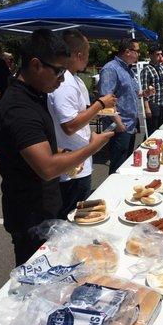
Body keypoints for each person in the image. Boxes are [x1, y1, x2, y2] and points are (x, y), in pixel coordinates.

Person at [0, 29, 114, 266]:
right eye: (59, 70)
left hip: (43, 209)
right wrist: (92, 147)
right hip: (30, 217)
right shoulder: (19, 109)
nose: (61, 78)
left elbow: (31, 151)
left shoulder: (34, 95)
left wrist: (58, 154)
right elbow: (47, 168)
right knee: (34, 284)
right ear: (36, 65)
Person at [48, 29, 116, 218]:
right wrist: (100, 104)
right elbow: (69, 125)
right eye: (87, 55)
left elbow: (79, 116)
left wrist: (91, 132)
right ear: (79, 55)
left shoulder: (73, 79)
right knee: (71, 218)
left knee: (78, 215)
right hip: (71, 167)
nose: (88, 60)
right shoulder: (65, 83)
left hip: (78, 162)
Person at [98, 39, 142, 175]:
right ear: (128, 52)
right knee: (117, 165)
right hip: (120, 125)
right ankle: (112, 193)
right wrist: (118, 123)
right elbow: (105, 100)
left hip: (130, 123)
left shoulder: (127, 69)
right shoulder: (111, 69)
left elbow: (131, 93)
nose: (139, 55)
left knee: (126, 163)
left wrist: (144, 93)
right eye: (137, 51)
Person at [0, 38, 11, 161]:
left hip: (2, 99)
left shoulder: (1, 63)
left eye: (0, 48)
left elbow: (8, 78)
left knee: (0, 124)